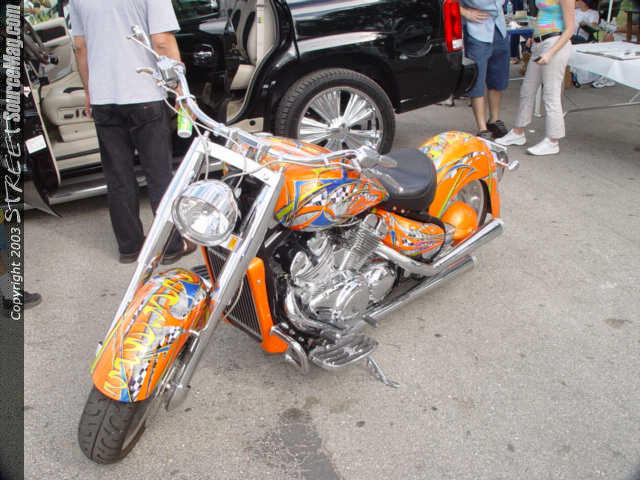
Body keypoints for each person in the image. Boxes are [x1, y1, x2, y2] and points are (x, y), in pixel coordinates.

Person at [70, 0, 195, 264]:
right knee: (159, 175)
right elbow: (162, 41)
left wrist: (90, 91)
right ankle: (171, 245)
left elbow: (80, 47)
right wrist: (180, 89)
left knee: (118, 176)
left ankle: (130, 247)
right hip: (145, 94)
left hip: (104, 99)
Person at [496, 0, 575, 155]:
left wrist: (550, 53)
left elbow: (570, 28)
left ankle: (553, 140)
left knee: (551, 94)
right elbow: (541, 14)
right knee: (527, 90)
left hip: (555, 43)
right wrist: (534, 37)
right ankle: (518, 132)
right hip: (540, 42)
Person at [460, 0, 511, 139]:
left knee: (498, 77)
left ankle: (494, 120)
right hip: (477, 29)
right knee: (477, 79)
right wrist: (464, 12)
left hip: (499, 27)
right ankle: (482, 128)